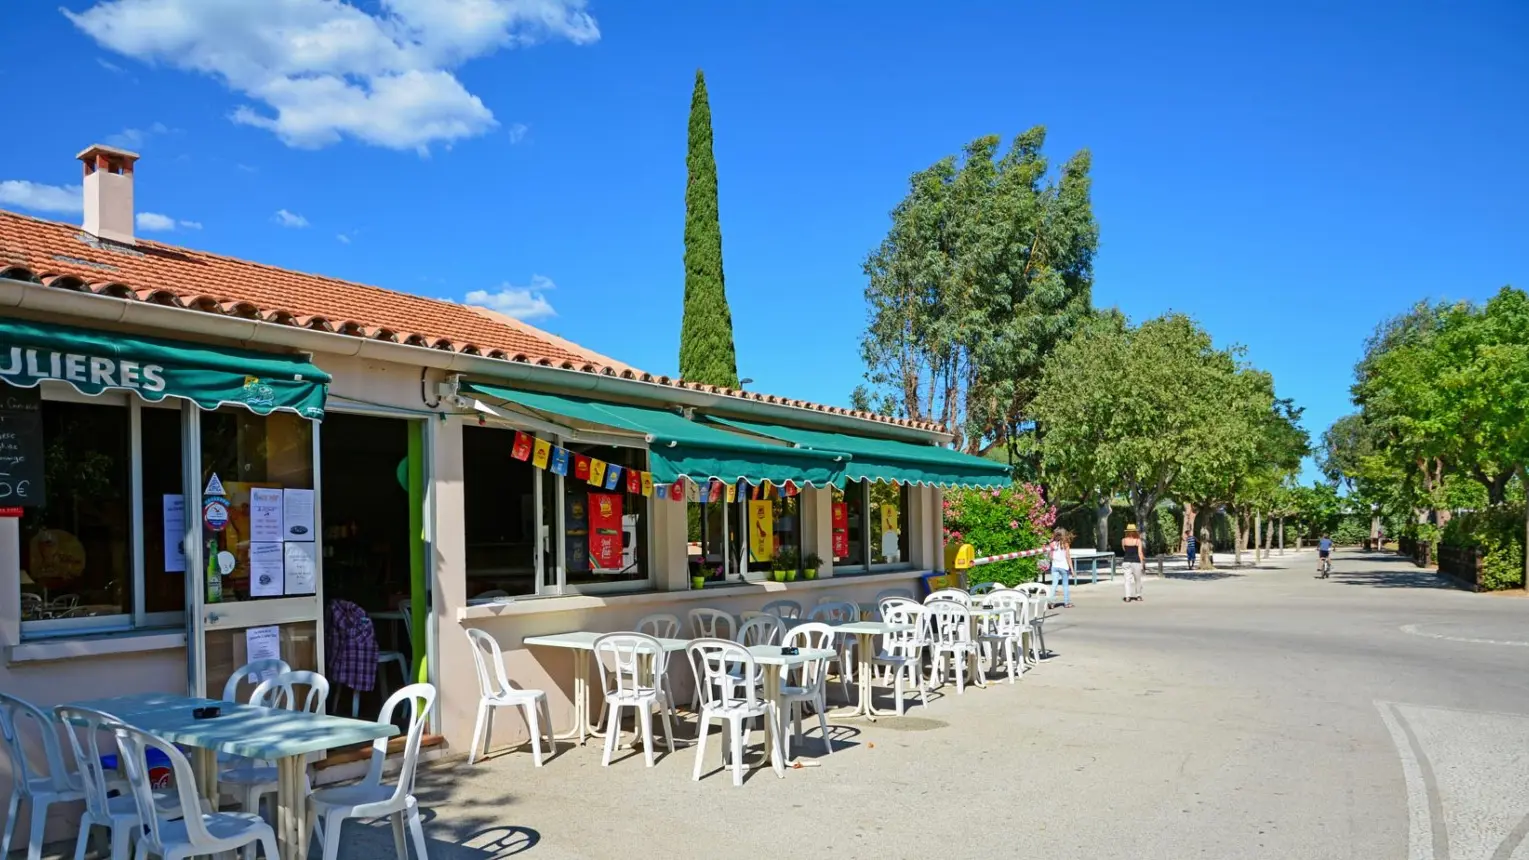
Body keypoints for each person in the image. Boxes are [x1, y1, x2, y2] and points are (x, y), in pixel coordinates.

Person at [1048, 528, 1075, 608]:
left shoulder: (1052, 544)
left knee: (1054, 584)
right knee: (1065, 585)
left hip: (1055, 566)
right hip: (1064, 567)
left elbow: (1050, 557)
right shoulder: (1065, 544)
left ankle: (1051, 602)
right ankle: (1066, 603)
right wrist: (1072, 570)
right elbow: (1068, 557)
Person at [1122, 524, 1146, 602]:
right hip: (1136, 561)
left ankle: (1127, 596)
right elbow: (1140, 553)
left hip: (1126, 561)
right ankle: (1138, 595)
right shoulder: (1138, 541)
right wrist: (1142, 564)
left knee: (1127, 580)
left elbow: (1124, 550)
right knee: (1138, 579)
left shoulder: (1123, 540)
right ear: (1135, 532)